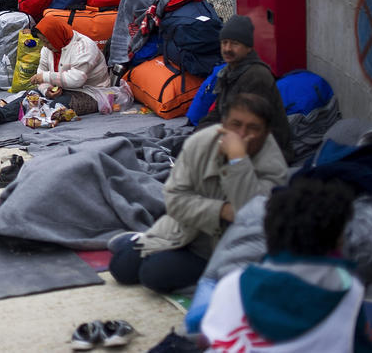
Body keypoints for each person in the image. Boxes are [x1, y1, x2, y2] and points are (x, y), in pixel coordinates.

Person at [108, 93, 289, 294]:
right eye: (235, 125)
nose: (242, 134)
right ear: (224, 124)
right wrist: (220, 210)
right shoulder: (202, 142)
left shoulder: (273, 165)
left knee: (153, 274)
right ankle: (140, 239)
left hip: (222, 249)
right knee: (121, 269)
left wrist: (238, 161)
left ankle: (206, 278)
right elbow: (175, 199)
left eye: (253, 128)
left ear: (266, 133)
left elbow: (248, 216)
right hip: (184, 228)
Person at [201, 179, 372, 352]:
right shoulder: (350, 292)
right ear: (337, 240)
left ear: (269, 235)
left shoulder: (232, 286)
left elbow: (211, 340)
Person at [198, 15, 292, 162]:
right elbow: (218, 113)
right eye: (224, 43)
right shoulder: (230, 71)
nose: (228, 49)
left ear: (248, 48)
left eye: (234, 44)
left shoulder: (256, 77)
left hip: (263, 150)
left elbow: (250, 130)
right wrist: (197, 136)